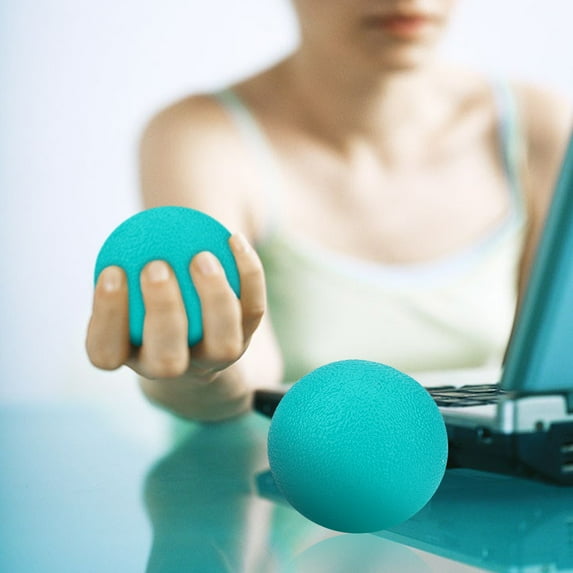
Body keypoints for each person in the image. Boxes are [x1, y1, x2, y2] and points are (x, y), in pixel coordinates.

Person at [86, 0, 572, 422]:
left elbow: (545, 377)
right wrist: (195, 372)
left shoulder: (539, 127)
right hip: (267, 489)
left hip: (481, 488)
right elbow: (244, 383)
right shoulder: (201, 137)